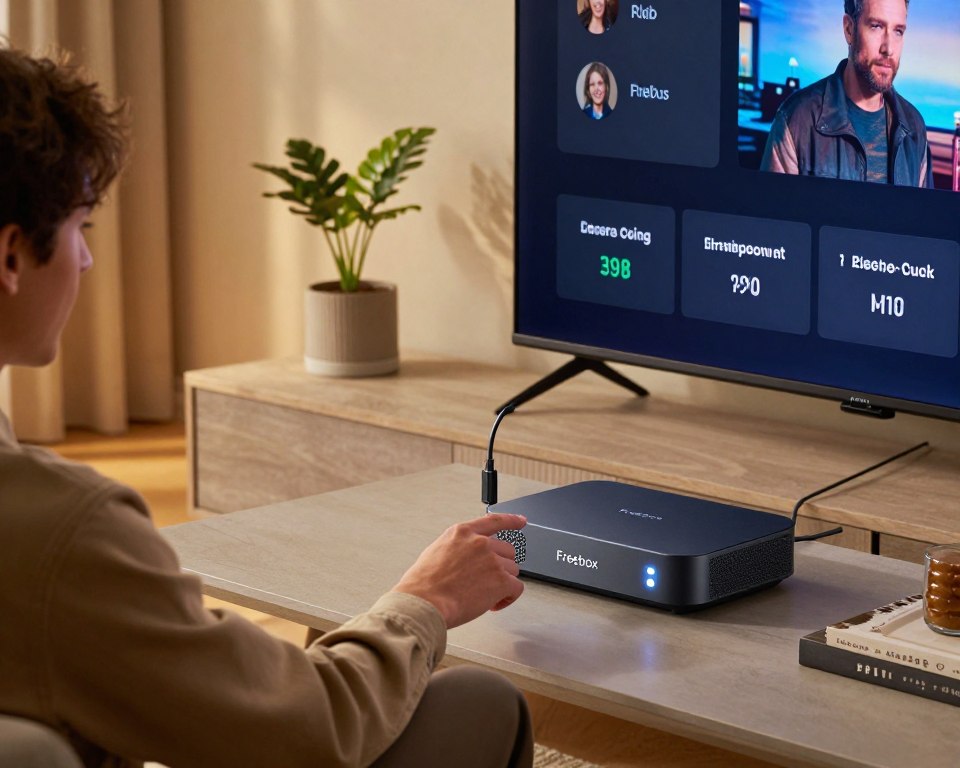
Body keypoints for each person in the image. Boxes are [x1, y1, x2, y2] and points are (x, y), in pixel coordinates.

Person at [0, 45, 533, 768]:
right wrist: (426, 600)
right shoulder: (59, 531)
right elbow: (306, 729)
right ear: (10, 257)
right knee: (481, 705)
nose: (87, 261)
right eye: (80, 230)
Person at [760, 0, 931, 187]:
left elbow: (922, 215)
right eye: (876, 26)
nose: (888, 49)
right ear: (849, 29)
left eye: (898, 31)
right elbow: (773, 214)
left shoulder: (914, 127)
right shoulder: (796, 119)